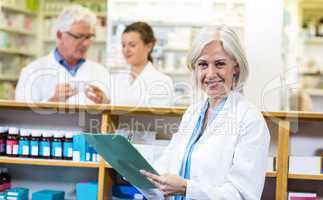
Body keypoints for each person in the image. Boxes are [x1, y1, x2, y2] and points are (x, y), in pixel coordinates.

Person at [140, 26, 270, 199]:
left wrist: (187, 188)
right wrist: (138, 170)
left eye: (220, 64)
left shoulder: (250, 119)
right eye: (202, 64)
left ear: (236, 67)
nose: (210, 74)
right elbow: (168, 162)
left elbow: (242, 194)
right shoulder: (193, 113)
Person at [15, 5, 109, 104]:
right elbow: (21, 115)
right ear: (59, 35)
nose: (86, 43)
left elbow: (113, 114)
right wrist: (52, 101)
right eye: (79, 36)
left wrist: (105, 103)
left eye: (90, 37)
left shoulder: (101, 72)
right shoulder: (32, 71)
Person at [110, 22, 174, 107]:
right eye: (123, 45)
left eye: (132, 45)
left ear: (149, 46)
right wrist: (104, 101)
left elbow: (159, 117)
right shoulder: (116, 79)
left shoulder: (162, 82)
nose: (126, 50)